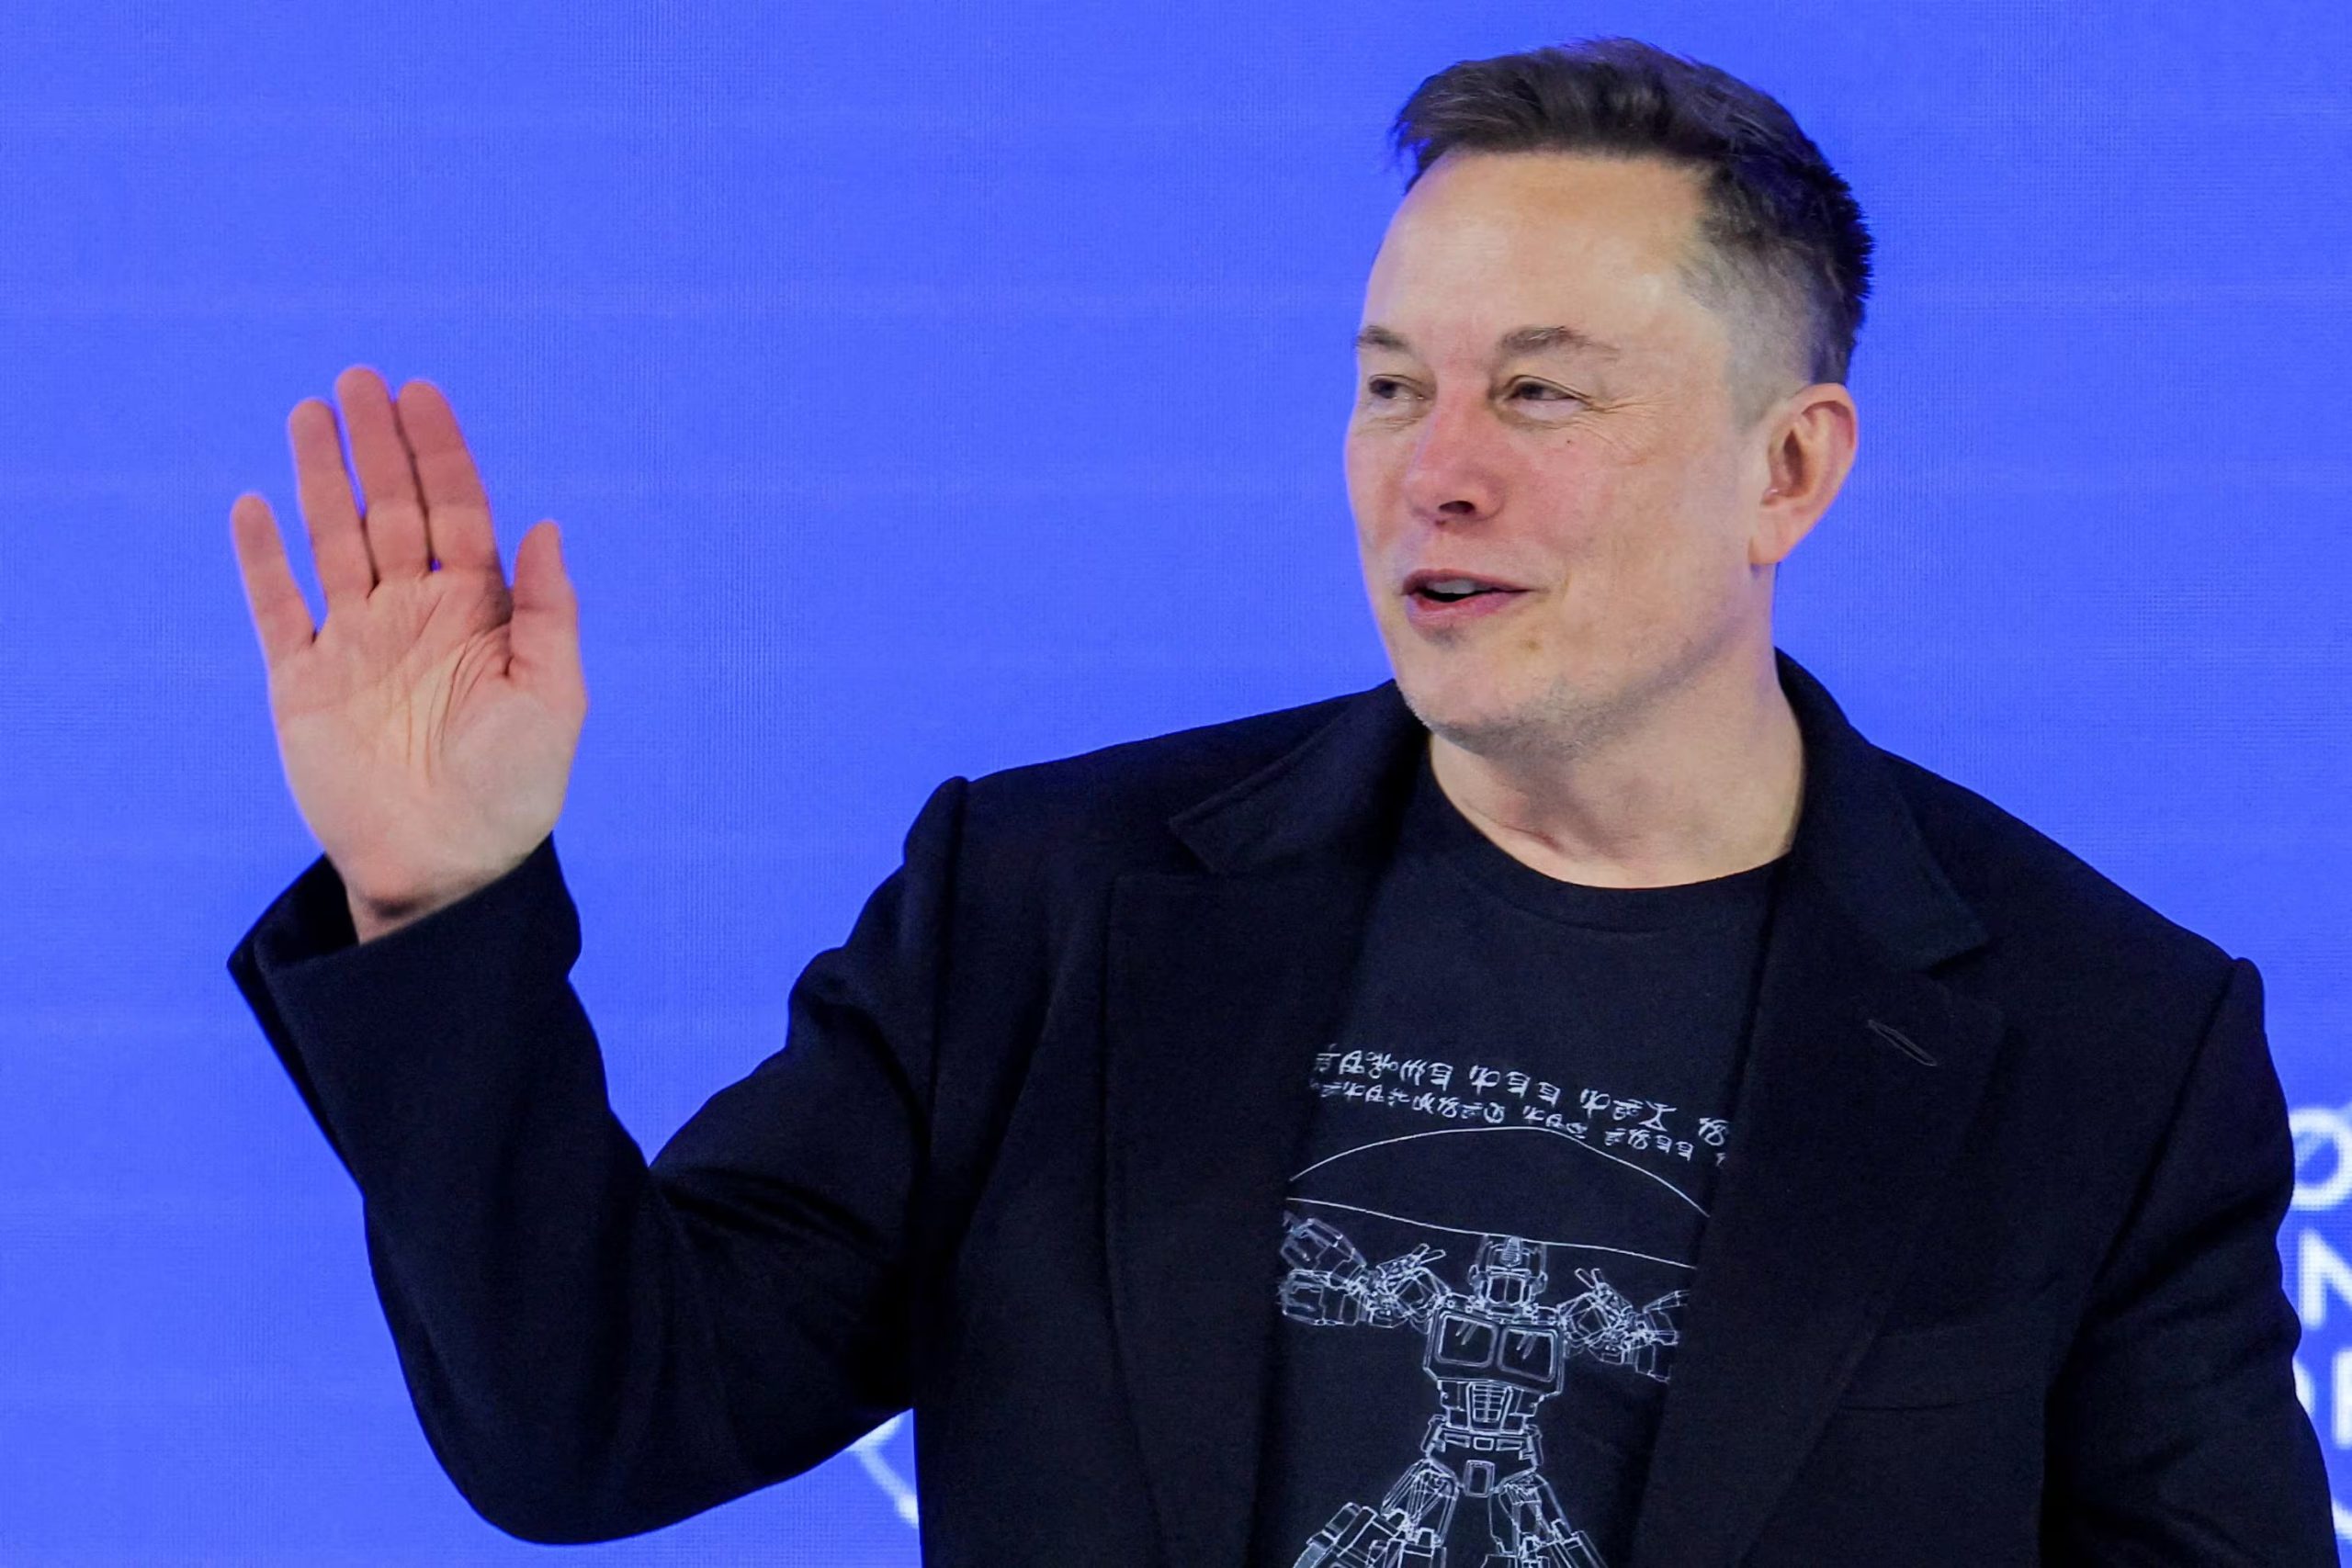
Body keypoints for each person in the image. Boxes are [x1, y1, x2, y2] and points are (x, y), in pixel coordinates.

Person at [222, 36, 2334, 1568]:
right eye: (1390, 382)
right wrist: (439, 897)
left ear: (1786, 470)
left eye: (1537, 390)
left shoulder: (2103, 1041)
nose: (1436, 468)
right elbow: (594, 1414)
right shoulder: (1045, 901)